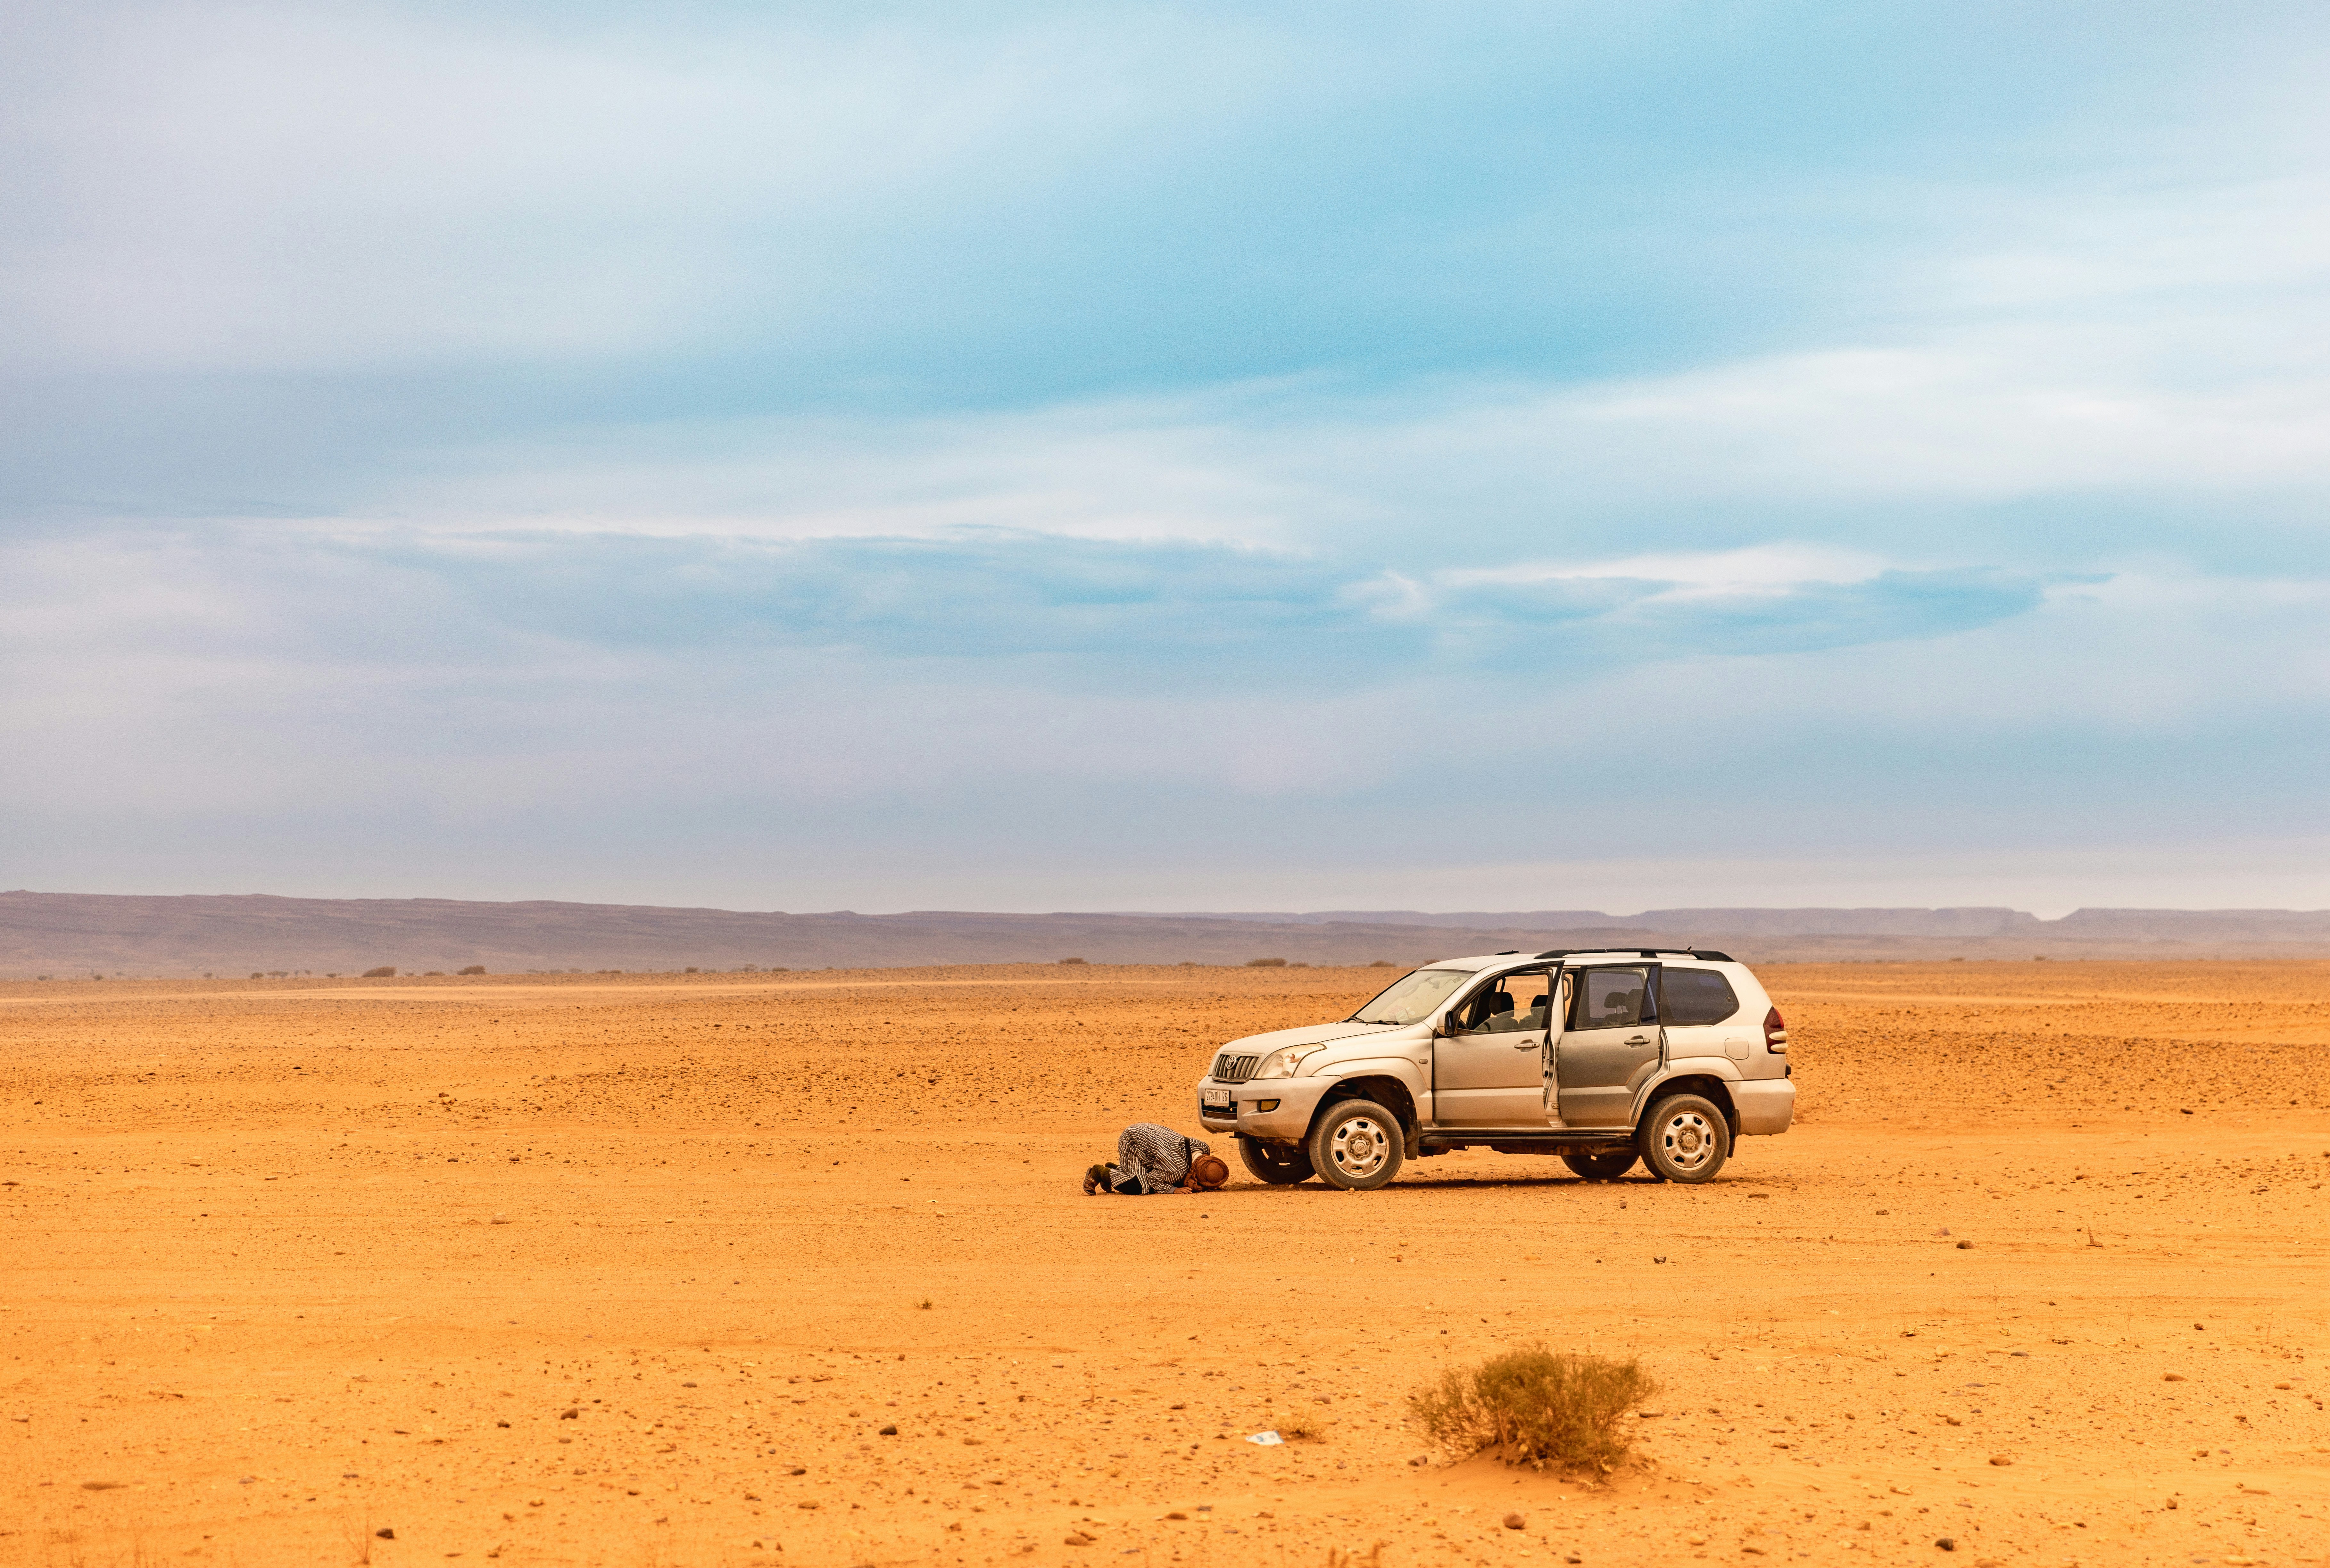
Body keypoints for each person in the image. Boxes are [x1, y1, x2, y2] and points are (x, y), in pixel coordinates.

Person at [1082, 1123, 1228, 1195]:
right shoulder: (1175, 1168)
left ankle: (1118, 1169)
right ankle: (1099, 1173)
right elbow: (1154, 1180)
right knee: (1141, 1187)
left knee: (1172, 1178)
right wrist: (1173, 1190)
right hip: (1133, 1140)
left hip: (1151, 1136)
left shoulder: (1203, 1149)